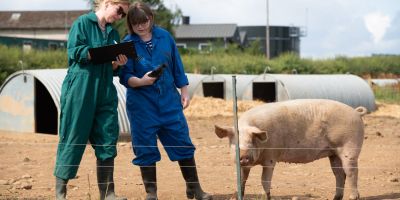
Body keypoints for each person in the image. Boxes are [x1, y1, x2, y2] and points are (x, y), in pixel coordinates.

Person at [119, 2, 212, 200]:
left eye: (144, 21)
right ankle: (151, 193)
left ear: (151, 18)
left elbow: (177, 65)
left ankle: (194, 188)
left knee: (182, 141)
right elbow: (124, 76)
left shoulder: (165, 37)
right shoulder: (127, 44)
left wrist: (184, 90)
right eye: (136, 24)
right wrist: (142, 81)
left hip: (169, 101)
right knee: (144, 146)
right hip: (142, 105)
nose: (141, 27)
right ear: (130, 25)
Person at [53, 0, 129, 199]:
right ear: (107, 3)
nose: (120, 16)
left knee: (107, 136)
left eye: (124, 14)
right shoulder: (82, 23)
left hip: (104, 89)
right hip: (81, 87)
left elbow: (111, 67)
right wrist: (99, 54)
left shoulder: (113, 33)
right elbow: (74, 52)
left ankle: (108, 193)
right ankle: (60, 193)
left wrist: (117, 63)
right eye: (119, 10)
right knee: (73, 136)